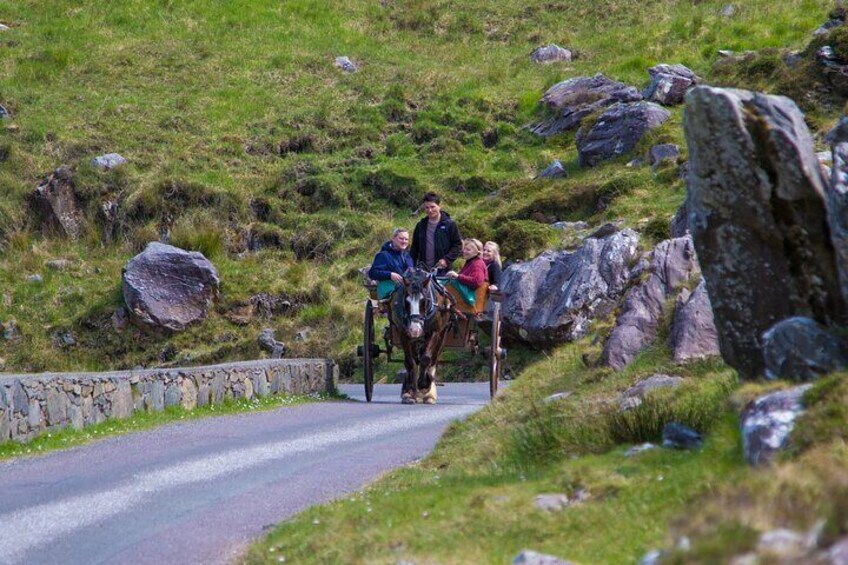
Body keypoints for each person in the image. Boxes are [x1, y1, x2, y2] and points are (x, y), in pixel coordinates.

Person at [410, 192, 462, 274]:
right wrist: (411, 267)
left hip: (443, 271)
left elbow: (457, 245)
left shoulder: (450, 224)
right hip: (423, 271)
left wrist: (446, 260)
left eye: (432, 207)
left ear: (439, 206)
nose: (430, 210)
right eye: (426, 207)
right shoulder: (420, 225)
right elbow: (414, 249)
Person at [368, 228, 413, 298]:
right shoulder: (383, 255)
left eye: (406, 239)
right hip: (388, 296)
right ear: (393, 239)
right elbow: (372, 273)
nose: (404, 241)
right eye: (401, 238)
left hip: (406, 293)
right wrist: (390, 275)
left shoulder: (407, 255)